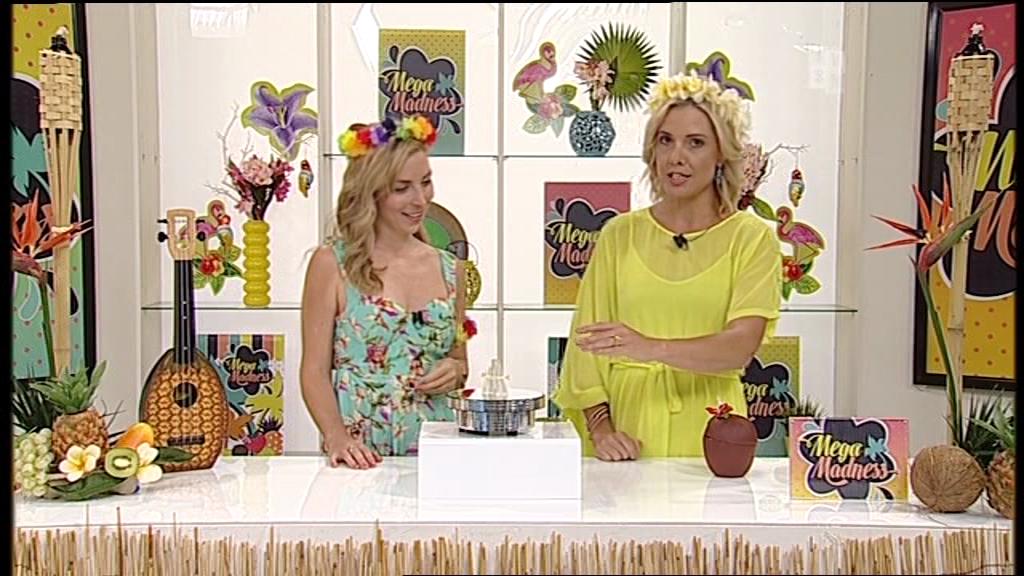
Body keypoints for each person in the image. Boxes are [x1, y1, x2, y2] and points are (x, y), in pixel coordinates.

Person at [552, 71, 781, 461]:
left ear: (721, 155)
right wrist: (602, 431)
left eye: (695, 143)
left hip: (712, 428)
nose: (677, 156)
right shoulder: (619, 235)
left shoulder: (751, 238)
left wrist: (651, 347)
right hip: (629, 427)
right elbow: (586, 346)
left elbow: (740, 347)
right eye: (665, 140)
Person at [301, 115, 470, 470]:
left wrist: (454, 371)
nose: (420, 199)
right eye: (402, 187)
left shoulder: (450, 269)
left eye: (426, 182)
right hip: (360, 457)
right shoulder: (331, 265)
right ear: (371, 192)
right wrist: (336, 437)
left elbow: (460, 361)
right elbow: (314, 370)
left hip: (438, 454)